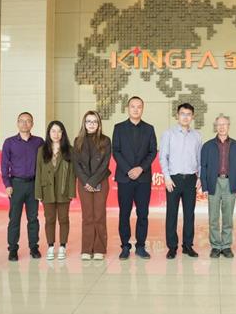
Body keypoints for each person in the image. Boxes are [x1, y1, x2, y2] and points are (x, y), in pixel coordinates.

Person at [112, 96, 157, 260]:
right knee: (124, 213)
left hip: (143, 179)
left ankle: (140, 246)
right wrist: (129, 170)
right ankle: (125, 246)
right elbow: (116, 151)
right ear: (128, 108)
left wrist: (140, 168)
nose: (136, 109)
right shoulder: (119, 128)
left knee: (143, 213)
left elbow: (152, 151)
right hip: (125, 178)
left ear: (142, 109)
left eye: (139, 107)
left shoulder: (149, 129)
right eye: (133, 106)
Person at [160, 103, 203, 259]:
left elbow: (200, 159)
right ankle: (172, 247)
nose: (185, 117)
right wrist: (167, 177)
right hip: (174, 179)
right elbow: (163, 157)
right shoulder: (168, 134)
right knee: (171, 214)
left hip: (191, 179)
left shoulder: (197, 136)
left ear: (192, 117)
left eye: (188, 114)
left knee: (189, 214)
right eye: (182, 114)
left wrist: (200, 177)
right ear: (177, 115)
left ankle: (187, 245)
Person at [1, 112, 45, 261]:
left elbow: (44, 164)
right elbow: (4, 165)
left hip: (33, 185)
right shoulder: (9, 142)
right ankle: (13, 249)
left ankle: (34, 248)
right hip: (16, 185)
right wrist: (7, 184)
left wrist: (41, 185)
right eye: (22, 121)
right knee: (14, 219)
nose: (25, 123)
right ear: (17, 123)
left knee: (33, 218)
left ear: (32, 124)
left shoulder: (39, 142)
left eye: (28, 121)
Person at [200, 114, 236, 259]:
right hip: (214, 182)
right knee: (213, 217)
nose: (222, 127)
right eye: (219, 124)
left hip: (230, 182)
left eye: (224, 124)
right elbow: (203, 167)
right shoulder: (207, 146)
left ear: (229, 126)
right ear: (215, 126)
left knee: (228, 217)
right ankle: (216, 246)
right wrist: (205, 187)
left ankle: (226, 246)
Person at [73, 111, 111, 261]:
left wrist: (93, 181)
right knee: (87, 216)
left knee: (99, 215)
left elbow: (105, 163)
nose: (91, 124)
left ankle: (99, 248)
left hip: (101, 180)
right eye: (88, 121)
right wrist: (86, 181)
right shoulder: (78, 141)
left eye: (95, 121)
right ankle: (87, 249)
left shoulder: (105, 140)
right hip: (84, 182)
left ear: (99, 124)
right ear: (84, 123)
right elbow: (76, 164)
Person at [35, 120, 76, 260]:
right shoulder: (42, 150)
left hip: (63, 191)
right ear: (49, 133)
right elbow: (38, 172)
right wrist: (38, 192)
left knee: (64, 219)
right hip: (47, 190)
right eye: (53, 131)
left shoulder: (70, 150)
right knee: (49, 219)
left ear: (63, 133)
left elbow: (72, 173)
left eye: (59, 131)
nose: (56, 134)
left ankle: (63, 246)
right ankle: (51, 246)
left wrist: (71, 192)